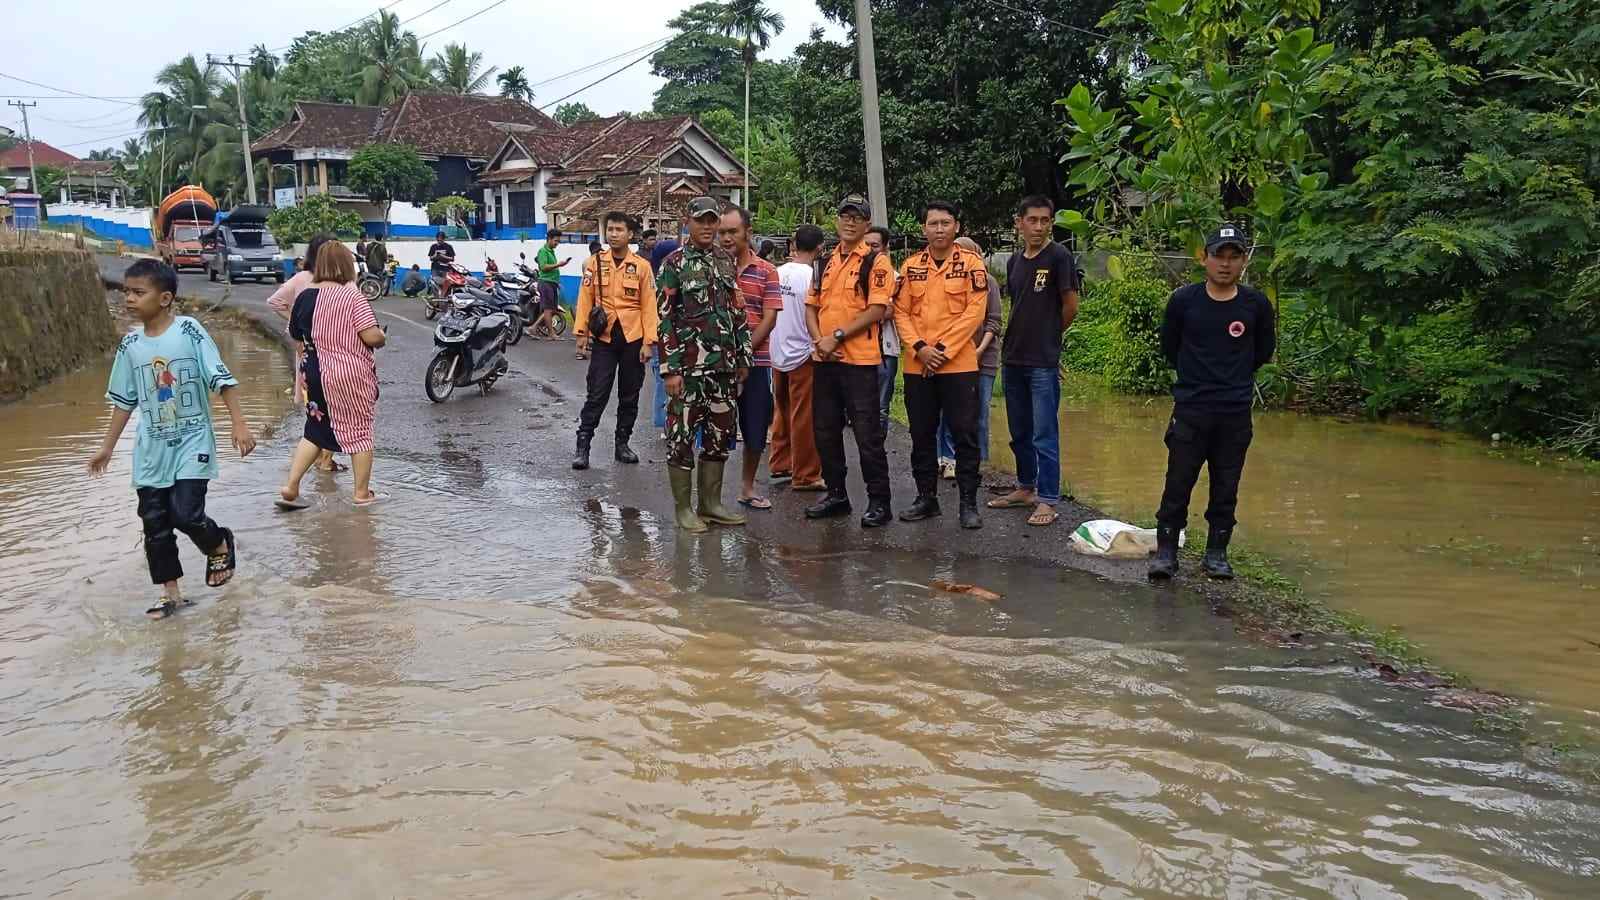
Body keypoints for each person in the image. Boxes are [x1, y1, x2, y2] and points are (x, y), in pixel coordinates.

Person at [88, 258, 256, 619]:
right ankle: (171, 594)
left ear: (164, 298)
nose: (128, 299)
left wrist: (239, 424)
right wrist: (106, 447)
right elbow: (123, 401)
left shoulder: (190, 330)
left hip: (192, 441)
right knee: (155, 525)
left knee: (186, 514)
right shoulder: (129, 345)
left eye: (138, 292)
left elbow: (220, 378)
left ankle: (217, 542)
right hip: (151, 451)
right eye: (126, 292)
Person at [1148, 225, 1276, 581]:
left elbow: (1263, 352)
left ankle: (1216, 553)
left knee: (1226, 486)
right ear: (1204, 258)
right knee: (1178, 483)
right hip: (1191, 409)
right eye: (1219, 255)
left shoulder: (1255, 305)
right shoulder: (1184, 301)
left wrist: (1232, 381)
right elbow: (1170, 348)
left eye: (1234, 257)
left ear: (1244, 261)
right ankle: (1166, 552)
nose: (1225, 264)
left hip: (1234, 412)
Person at [658, 196, 752, 533]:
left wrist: (743, 356)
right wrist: (669, 369)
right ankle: (684, 509)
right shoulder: (673, 263)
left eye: (713, 221)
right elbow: (665, 319)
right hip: (688, 369)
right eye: (702, 221)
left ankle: (710, 504)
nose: (708, 227)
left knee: (719, 436)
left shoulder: (725, 260)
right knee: (681, 437)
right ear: (688, 222)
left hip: (723, 368)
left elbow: (736, 311)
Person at [893, 201, 990, 529]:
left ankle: (967, 503)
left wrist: (943, 350)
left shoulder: (972, 265)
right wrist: (920, 348)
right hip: (917, 365)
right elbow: (901, 312)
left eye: (945, 223)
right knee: (921, 434)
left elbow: (974, 312)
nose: (938, 229)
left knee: (965, 434)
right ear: (924, 228)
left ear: (957, 227)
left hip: (959, 365)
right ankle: (926, 498)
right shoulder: (910, 267)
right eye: (932, 223)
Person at [988, 194, 1080, 527]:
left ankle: (1048, 498)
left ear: (1051, 224)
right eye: (1032, 220)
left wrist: (1051, 341)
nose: (1038, 226)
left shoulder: (1059, 257)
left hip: (1042, 360)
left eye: (1045, 221)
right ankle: (1025, 486)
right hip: (1013, 357)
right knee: (1020, 430)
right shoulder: (1014, 262)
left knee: (1044, 431)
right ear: (1019, 223)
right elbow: (1021, 306)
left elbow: (1070, 305)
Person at [805, 193, 896, 527]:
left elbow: (876, 310)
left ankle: (879, 502)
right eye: (845, 215)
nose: (850, 221)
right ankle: (836, 495)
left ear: (866, 224)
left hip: (860, 362)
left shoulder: (876, 262)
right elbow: (811, 307)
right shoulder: (824, 262)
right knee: (825, 431)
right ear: (837, 220)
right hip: (826, 360)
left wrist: (837, 337)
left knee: (867, 435)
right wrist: (820, 341)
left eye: (857, 217)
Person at [276, 242, 387, 511]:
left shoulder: (304, 297)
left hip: (313, 373)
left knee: (315, 431)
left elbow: (294, 333)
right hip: (349, 374)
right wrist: (382, 336)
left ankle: (290, 487)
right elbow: (371, 336)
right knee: (360, 432)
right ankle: (361, 493)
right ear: (347, 266)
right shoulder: (352, 296)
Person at [572, 211, 659, 470]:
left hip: (633, 337)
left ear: (630, 234)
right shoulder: (594, 263)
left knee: (629, 395)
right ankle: (583, 446)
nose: (613, 234)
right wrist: (581, 334)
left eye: (619, 230)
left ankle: (622, 444)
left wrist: (649, 342)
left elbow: (649, 305)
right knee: (596, 393)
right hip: (604, 338)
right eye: (610, 229)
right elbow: (585, 298)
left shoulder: (642, 266)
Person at [719, 204, 782, 509]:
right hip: (716, 365)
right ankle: (710, 497)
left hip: (755, 363)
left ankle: (747, 488)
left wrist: (742, 355)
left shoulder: (767, 271)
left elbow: (769, 319)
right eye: (722, 233)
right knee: (716, 430)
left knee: (755, 428)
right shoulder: (711, 267)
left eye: (733, 231)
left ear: (748, 232)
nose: (727, 238)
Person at [268, 234, 344, 475]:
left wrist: (296, 322)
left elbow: (276, 302)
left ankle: (319, 459)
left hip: (308, 354)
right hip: (333, 355)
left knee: (315, 408)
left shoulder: (302, 279)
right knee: (334, 408)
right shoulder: (339, 283)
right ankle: (325, 459)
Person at [768, 224, 827, 492]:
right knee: (804, 416)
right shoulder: (812, 277)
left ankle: (781, 461)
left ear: (793, 245)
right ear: (820, 248)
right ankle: (805, 474)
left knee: (782, 409)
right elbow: (816, 314)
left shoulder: (776, 273)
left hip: (776, 350)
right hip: (804, 352)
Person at [938, 235, 1003, 478]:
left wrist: (977, 351)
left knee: (980, 414)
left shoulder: (988, 282)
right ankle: (948, 458)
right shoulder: (947, 282)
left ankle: (980, 462)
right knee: (948, 412)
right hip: (952, 358)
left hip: (983, 360)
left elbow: (994, 323)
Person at [865, 225, 900, 434]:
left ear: (885, 248)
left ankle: (878, 449)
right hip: (857, 351)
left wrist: (863, 312)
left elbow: (889, 311)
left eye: (875, 245)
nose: (870, 250)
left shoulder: (895, 277)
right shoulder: (853, 275)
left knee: (881, 406)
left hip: (886, 350)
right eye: (866, 245)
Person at [648, 234, 681, 439]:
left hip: (678, 340)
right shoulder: (657, 284)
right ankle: (664, 424)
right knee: (663, 381)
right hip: (660, 339)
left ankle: (673, 422)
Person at [531, 229, 572, 340]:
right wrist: (559, 264)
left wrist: (556, 282)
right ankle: (551, 334)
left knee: (552, 308)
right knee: (548, 309)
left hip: (552, 283)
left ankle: (534, 327)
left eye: (558, 241)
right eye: (555, 241)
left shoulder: (551, 251)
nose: (557, 243)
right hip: (546, 283)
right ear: (549, 239)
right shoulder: (543, 251)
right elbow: (544, 267)